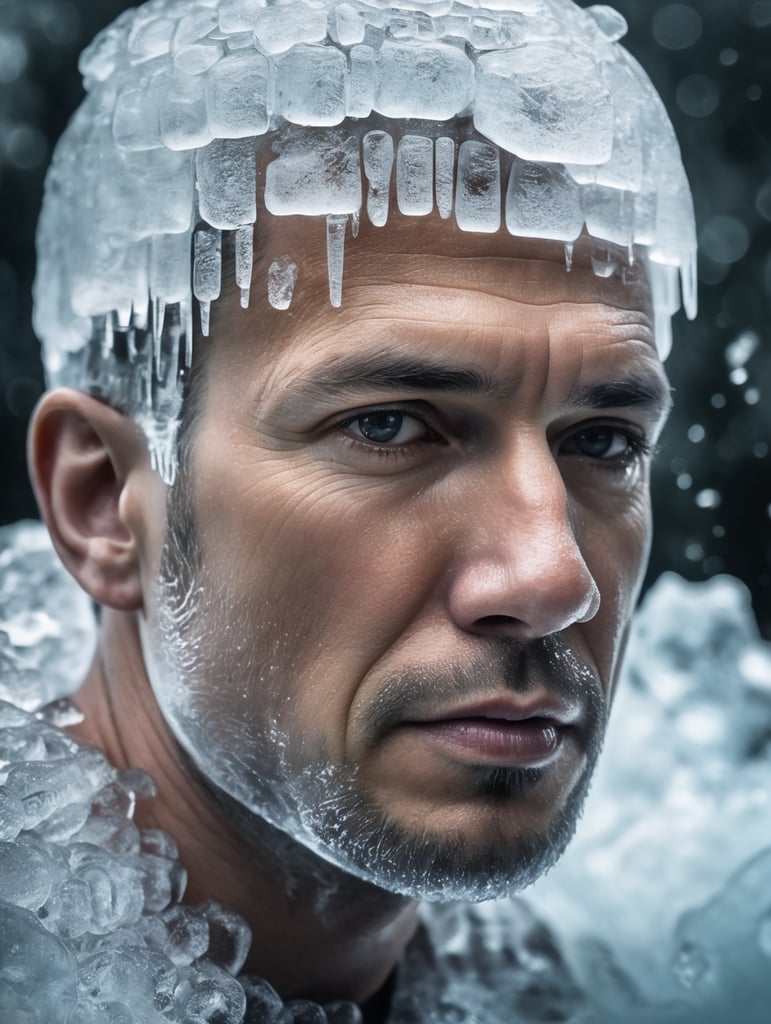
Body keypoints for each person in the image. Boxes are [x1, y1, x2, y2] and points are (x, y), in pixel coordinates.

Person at [10, 0, 697, 1019]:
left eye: (601, 441)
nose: (553, 579)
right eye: (389, 427)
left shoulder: (629, 964)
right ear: (107, 503)